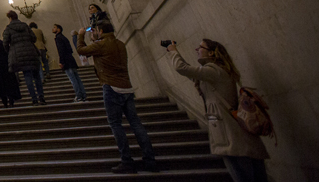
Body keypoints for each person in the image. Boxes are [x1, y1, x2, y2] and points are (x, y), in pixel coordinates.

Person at [168, 39, 269, 182]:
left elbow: (182, 69)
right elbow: (191, 73)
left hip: (230, 136)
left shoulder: (214, 70)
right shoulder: (216, 71)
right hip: (235, 134)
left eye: (200, 47)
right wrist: (175, 52)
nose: (197, 49)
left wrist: (172, 51)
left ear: (211, 52)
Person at [77, 21, 157, 173]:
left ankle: (127, 161)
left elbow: (81, 50)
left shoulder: (101, 45)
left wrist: (81, 35)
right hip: (126, 87)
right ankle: (150, 160)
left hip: (111, 87)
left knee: (116, 124)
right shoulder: (120, 44)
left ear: (100, 31)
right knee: (136, 124)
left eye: (96, 31)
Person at [2, 10, 45, 105]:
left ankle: (34, 99)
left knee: (27, 76)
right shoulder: (25, 26)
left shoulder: (8, 28)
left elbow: (5, 43)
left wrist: (10, 51)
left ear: (10, 18)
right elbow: (33, 38)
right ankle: (41, 97)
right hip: (31, 52)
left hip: (19, 54)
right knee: (36, 76)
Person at [53, 24, 87, 102]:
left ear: (59, 29)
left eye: (54, 27)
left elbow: (61, 51)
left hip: (66, 61)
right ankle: (83, 95)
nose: (53, 29)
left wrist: (61, 61)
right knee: (77, 78)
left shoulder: (58, 38)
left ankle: (79, 96)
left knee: (73, 79)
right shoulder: (64, 37)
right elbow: (70, 49)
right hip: (71, 59)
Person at [0, 29, 20, 107]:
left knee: (0, 85)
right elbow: (8, 53)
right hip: (6, 65)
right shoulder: (3, 43)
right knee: (8, 83)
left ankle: (4, 102)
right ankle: (11, 100)